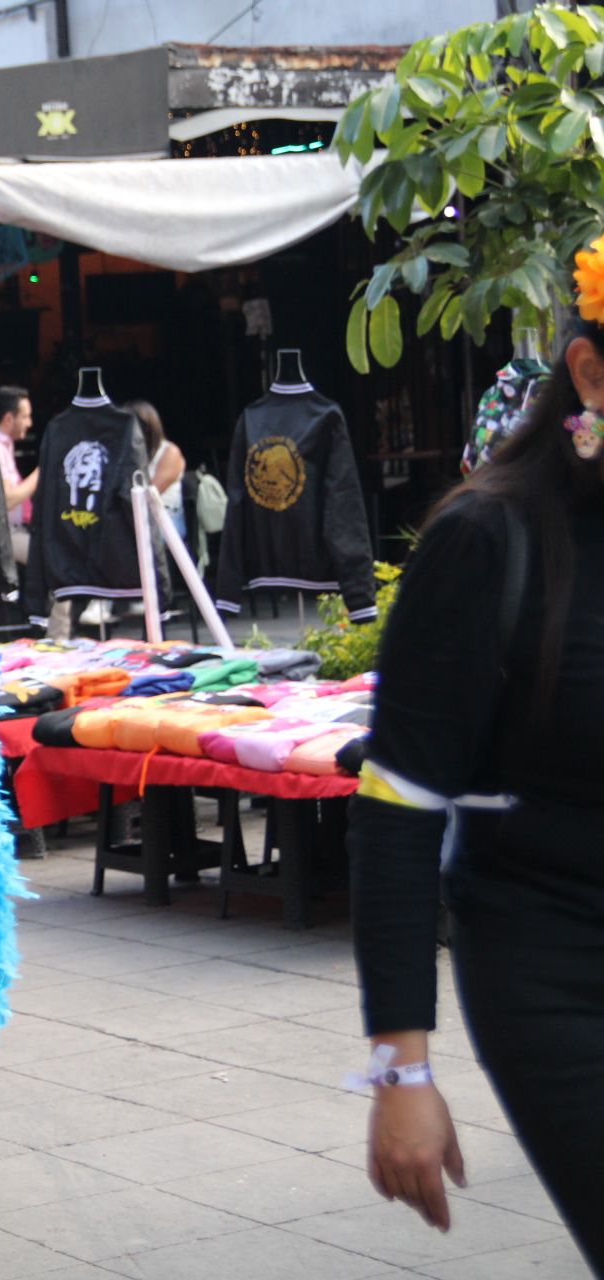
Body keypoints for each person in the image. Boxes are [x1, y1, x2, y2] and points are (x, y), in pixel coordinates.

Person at [351, 271, 604, 1264]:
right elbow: (398, 803)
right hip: (559, 974)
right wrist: (402, 1067)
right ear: (589, 370)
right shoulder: (486, 541)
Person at [0, 385, 37, 563]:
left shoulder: (3, 444)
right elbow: (6, 500)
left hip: (15, 530)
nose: (30, 423)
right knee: (50, 556)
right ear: (8, 419)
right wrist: (41, 472)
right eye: (25, 417)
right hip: (5, 534)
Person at [128, 399, 187, 541]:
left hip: (164, 525)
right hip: (134, 523)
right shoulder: (128, 453)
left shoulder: (169, 452)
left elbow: (149, 494)